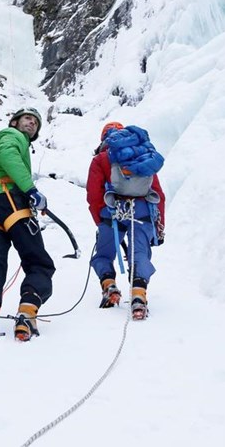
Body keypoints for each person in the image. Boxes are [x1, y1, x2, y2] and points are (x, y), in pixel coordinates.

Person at [0, 106, 55, 344]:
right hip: (10, 201)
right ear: (15, 122)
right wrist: (31, 190)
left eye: (36, 123)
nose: (32, 124)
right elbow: (9, 156)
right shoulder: (11, 136)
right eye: (28, 119)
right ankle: (27, 313)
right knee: (38, 262)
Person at [86, 122, 165, 320]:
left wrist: (100, 219)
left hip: (112, 211)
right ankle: (139, 295)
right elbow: (157, 192)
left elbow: (93, 194)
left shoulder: (101, 159)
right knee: (139, 252)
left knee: (104, 254)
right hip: (142, 210)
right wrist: (159, 226)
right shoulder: (143, 155)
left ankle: (109, 286)